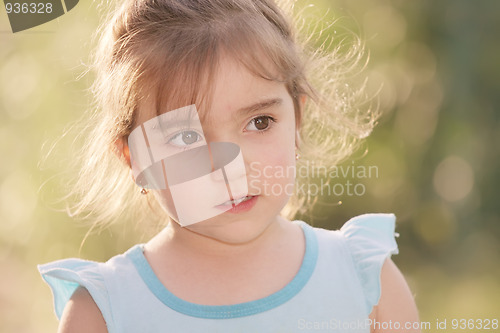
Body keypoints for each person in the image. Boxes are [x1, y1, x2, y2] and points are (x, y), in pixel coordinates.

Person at [38, 0, 420, 332]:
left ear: (297, 122)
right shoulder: (105, 312)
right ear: (136, 159)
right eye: (185, 137)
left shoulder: (364, 281)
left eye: (259, 122)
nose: (230, 167)